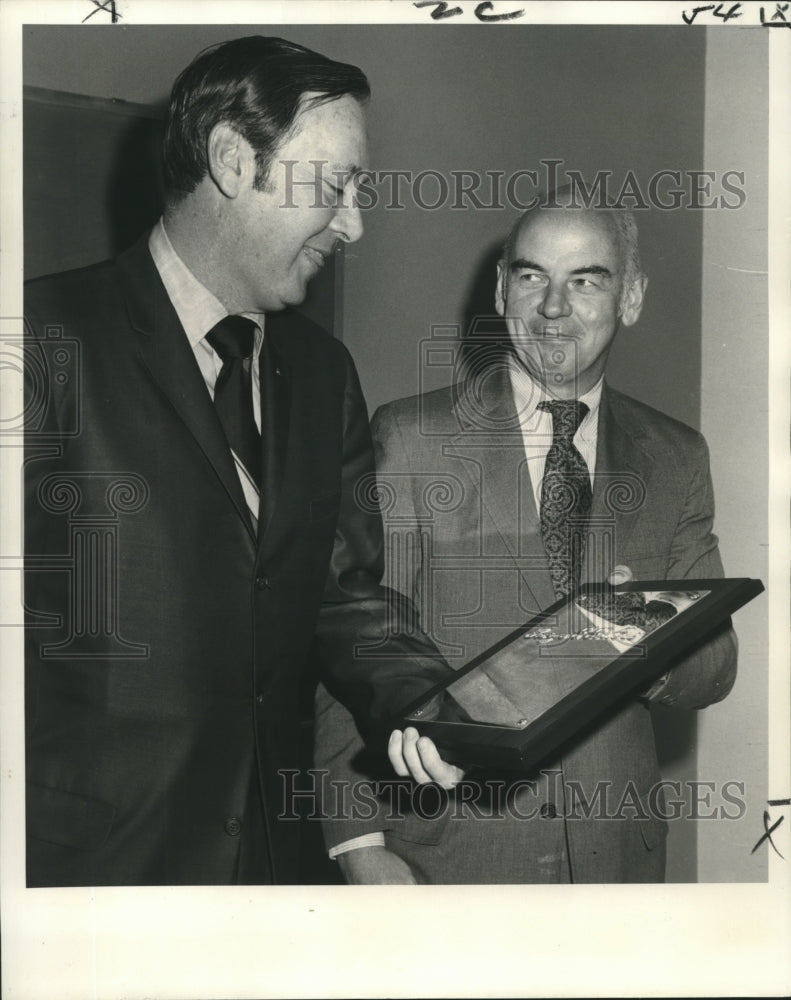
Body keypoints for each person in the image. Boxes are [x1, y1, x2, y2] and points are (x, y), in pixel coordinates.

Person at [23, 35, 448, 887]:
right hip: (94, 878)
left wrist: (431, 703)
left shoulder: (324, 373)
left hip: (275, 872)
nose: (354, 223)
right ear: (229, 159)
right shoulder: (36, 341)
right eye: (333, 187)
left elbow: (344, 594)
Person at [316, 190, 738, 884]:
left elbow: (715, 664)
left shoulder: (675, 455)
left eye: (586, 279)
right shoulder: (411, 438)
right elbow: (351, 646)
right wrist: (359, 844)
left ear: (629, 297)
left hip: (615, 867)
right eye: (531, 275)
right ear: (499, 290)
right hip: (448, 858)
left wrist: (647, 643)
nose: (552, 307)